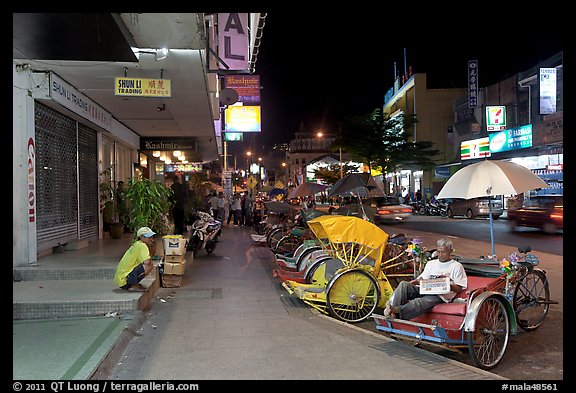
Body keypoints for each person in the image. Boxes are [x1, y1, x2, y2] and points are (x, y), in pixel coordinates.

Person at [384, 238, 467, 320]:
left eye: (443, 252)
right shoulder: (431, 263)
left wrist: (446, 285)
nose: (440, 255)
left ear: (451, 251)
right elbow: (422, 278)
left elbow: (459, 287)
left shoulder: (457, 266)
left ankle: (396, 312)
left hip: (440, 295)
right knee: (403, 285)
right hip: (426, 289)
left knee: (418, 303)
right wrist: (416, 281)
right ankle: (393, 311)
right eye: (438, 252)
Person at [113, 226, 156, 292]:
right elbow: (147, 262)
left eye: (152, 237)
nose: (151, 239)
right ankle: (133, 285)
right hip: (125, 280)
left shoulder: (137, 244)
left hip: (121, 280)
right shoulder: (142, 246)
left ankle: (133, 283)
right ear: (141, 237)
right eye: (149, 237)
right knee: (150, 265)